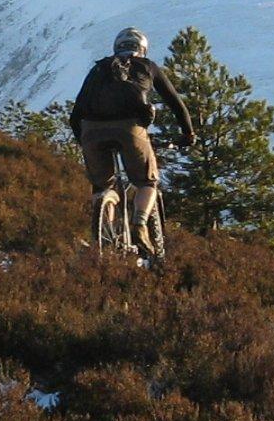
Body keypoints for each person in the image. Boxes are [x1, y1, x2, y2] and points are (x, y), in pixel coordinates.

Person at [69, 27, 195, 259]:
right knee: (147, 180)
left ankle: (106, 236)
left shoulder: (99, 68)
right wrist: (188, 134)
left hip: (91, 131)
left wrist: (83, 140)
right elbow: (176, 104)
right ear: (143, 48)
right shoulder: (148, 67)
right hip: (130, 129)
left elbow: (76, 112)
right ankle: (139, 224)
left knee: (101, 186)